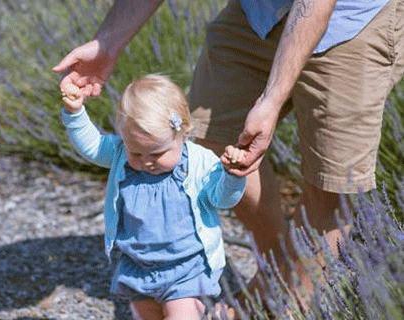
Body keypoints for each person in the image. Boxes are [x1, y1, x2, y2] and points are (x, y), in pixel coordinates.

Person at [53, 0, 404, 298]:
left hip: (354, 21)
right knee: (210, 137)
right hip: (259, 13)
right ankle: (277, 276)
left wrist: (271, 98)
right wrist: (107, 43)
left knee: (329, 186)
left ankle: (286, 304)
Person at [59, 74, 246, 320]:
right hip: (138, 266)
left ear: (184, 132)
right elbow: (92, 147)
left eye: (157, 153)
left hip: (187, 268)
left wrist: (233, 177)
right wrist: (75, 113)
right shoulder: (121, 155)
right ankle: (215, 314)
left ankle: (210, 311)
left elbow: (224, 199)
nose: (147, 162)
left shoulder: (200, 164)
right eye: (136, 152)